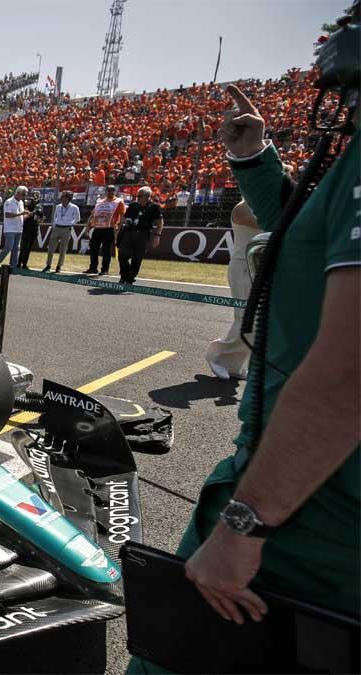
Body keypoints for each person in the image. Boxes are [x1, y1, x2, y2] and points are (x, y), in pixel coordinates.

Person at [126, 79, 359, 673]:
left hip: (316, 510)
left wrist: (244, 524)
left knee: (176, 652)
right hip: (313, 494)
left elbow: (349, 376)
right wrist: (254, 158)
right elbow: (305, 226)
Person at [205, 199, 263, 380]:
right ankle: (218, 357)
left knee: (258, 320)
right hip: (244, 266)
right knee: (246, 318)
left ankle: (234, 365)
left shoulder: (267, 204)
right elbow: (270, 223)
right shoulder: (242, 208)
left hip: (261, 265)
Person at [115, 186, 164, 284]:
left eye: (139, 196)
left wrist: (157, 236)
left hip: (142, 235)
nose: (137, 197)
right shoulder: (133, 205)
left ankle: (130, 278)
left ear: (147, 196)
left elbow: (160, 222)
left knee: (137, 258)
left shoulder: (154, 207)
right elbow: (124, 219)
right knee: (122, 255)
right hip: (128, 233)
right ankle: (124, 275)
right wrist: (118, 231)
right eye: (137, 195)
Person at [85, 185, 124, 275]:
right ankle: (93, 268)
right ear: (106, 191)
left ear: (115, 191)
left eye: (112, 190)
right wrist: (88, 227)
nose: (110, 192)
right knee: (93, 249)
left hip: (109, 229)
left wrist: (118, 229)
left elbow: (122, 217)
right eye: (109, 190)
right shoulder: (100, 202)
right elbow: (92, 215)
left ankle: (105, 269)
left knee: (106, 250)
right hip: (97, 228)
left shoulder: (118, 202)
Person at [43, 190, 81, 272]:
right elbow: (54, 216)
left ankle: (59, 266)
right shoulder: (58, 206)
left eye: (63, 196)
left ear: (68, 198)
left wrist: (71, 224)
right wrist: (54, 225)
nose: (61, 198)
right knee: (51, 248)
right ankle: (48, 265)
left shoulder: (74, 207)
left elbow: (77, 219)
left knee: (63, 249)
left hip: (66, 229)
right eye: (62, 196)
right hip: (57, 228)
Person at [0, 186, 27, 271]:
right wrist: (21, 213)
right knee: (8, 247)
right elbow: (7, 215)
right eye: (23, 194)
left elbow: (21, 216)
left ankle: (13, 267)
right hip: (10, 229)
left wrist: (30, 214)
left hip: (18, 229)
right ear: (18, 193)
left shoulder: (21, 202)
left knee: (15, 249)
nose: (24, 196)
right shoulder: (9, 202)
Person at [16, 191, 42, 269]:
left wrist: (39, 220)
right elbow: (25, 216)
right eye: (35, 195)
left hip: (35, 228)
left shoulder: (40, 205)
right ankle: (19, 263)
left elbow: (41, 217)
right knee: (24, 247)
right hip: (27, 228)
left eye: (38, 196)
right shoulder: (28, 204)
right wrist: (34, 212)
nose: (36, 197)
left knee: (29, 247)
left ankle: (24, 264)